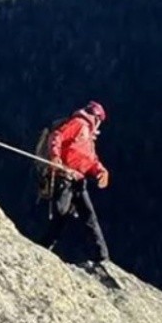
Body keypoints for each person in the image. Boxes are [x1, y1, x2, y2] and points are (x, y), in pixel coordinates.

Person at [41, 101, 111, 263]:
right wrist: (55, 156)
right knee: (66, 215)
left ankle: (102, 256)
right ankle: (102, 257)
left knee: (81, 216)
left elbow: (91, 160)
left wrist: (100, 171)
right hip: (65, 178)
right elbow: (57, 136)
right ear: (97, 118)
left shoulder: (88, 136)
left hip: (77, 182)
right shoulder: (79, 125)